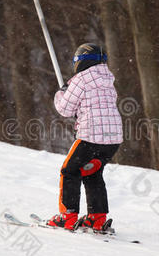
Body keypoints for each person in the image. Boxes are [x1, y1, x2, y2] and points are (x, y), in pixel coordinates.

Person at [47, 43, 123, 232]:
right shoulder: (108, 79)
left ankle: (67, 216)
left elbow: (64, 109)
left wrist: (61, 92)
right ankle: (97, 217)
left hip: (91, 135)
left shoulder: (80, 79)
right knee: (92, 172)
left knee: (69, 170)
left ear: (80, 61)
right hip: (113, 139)